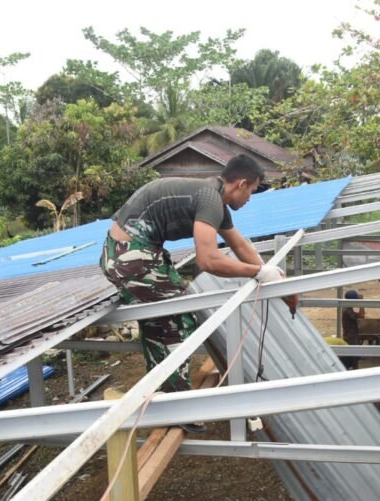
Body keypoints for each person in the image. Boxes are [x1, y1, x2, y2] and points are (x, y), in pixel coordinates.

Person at [99, 155, 284, 429]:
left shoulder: (214, 199)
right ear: (242, 184)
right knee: (179, 316)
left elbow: (240, 245)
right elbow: (207, 260)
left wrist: (271, 273)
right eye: (252, 191)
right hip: (130, 256)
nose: (250, 199)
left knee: (157, 320)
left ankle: (158, 395)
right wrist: (256, 273)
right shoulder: (210, 198)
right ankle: (177, 406)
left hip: (131, 252)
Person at [341, 289, 364, 370]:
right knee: (353, 357)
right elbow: (361, 315)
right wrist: (362, 302)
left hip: (352, 335)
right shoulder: (347, 311)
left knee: (354, 356)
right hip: (350, 337)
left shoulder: (348, 308)